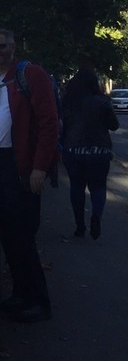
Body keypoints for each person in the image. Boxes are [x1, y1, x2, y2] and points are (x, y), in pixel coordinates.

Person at [0, 28, 58, 323]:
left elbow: (49, 125)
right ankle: (20, 295)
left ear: (13, 47)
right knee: (9, 236)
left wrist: (40, 168)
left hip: (22, 167)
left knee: (23, 235)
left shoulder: (31, 76)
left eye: (1, 46)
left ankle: (38, 303)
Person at [60, 67, 119, 239]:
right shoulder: (102, 102)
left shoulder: (68, 102)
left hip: (73, 150)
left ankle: (80, 226)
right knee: (98, 187)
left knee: (77, 187)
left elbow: (62, 126)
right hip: (99, 151)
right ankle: (96, 216)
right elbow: (114, 125)